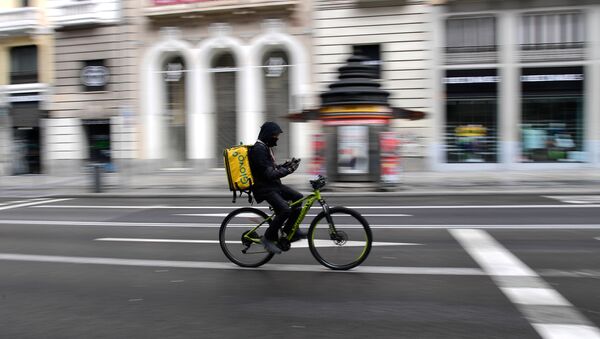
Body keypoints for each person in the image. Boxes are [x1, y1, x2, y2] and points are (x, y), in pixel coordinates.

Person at [249, 121, 305, 254]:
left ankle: (290, 230)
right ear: (268, 134)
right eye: (275, 135)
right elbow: (269, 174)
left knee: (298, 197)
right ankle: (268, 239)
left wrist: (286, 165)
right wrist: (289, 170)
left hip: (273, 185)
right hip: (264, 188)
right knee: (285, 210)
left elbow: (271, 169)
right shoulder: (258, 149)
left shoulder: (265, 147)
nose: (277, 138)